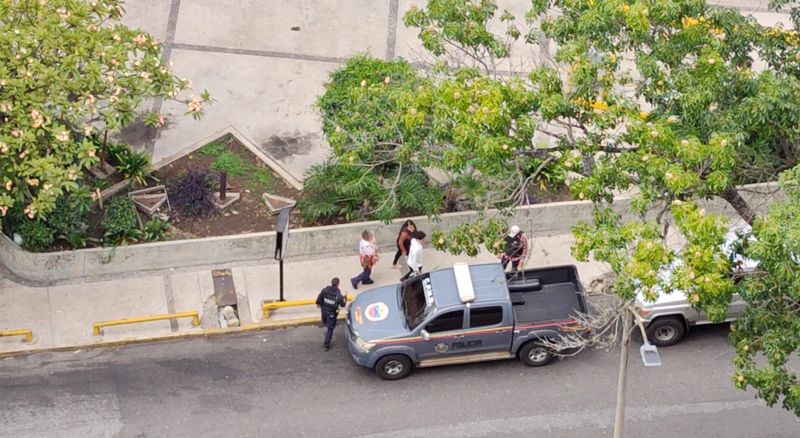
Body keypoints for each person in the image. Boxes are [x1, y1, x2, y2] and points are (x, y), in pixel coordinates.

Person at [316, 277, 347, 351]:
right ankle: (326, 345)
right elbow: (343, 305)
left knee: (325, 321)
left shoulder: (325, 291)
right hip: (331, 315)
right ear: (338, 285)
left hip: (323, 311)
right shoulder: (338, 296)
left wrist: (317, 303)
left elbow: (319, 297)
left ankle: (326, 325)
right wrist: (345, 298)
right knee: (330, 329)